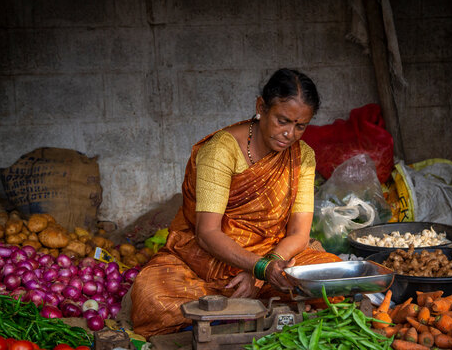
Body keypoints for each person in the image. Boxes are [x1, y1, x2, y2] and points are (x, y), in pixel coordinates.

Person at [130, 68, 341, 338]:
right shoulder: (221, 150)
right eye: (282, 121)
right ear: (260, 107)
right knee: (152, 293)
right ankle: (256, 310)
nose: (289, 134)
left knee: (330, 277)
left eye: (300, 126)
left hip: (273, 256)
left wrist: (269, 265)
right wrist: (257, 267)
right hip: (211, 259)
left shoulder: (303, 156)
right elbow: (207, 233)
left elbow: (299, 233)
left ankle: (237, 311)